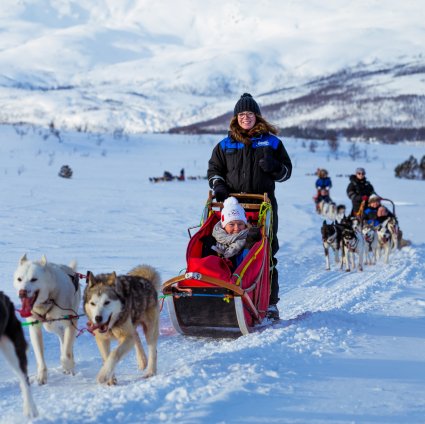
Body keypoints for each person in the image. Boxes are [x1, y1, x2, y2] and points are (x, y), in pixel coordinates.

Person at [207, 93, 292, 320]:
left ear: (257, 116)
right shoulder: (225, 145)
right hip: (231, 206)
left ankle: (269, 303)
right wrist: (218, 185)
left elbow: (286, 173)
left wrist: (274, 167)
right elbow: (214, 170)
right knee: (223, 247)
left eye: (250, 114)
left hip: (263, 206)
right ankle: (221, 291)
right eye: (242, 114)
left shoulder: (272, 143)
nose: (246, 118)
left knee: (266, 251)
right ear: (236, 118)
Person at [206, 197, 261, 269]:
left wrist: (250, 243)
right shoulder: (212, 240)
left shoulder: (250, 238)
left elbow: (247, 266)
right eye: (231, 224)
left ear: (245, 225)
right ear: (223, 226)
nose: (236, 228)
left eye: (240, 224)